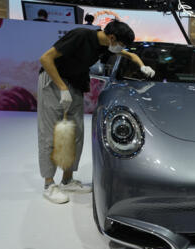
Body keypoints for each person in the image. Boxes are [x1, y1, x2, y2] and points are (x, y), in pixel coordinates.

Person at [38, 20, 155, 204]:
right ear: (112, 37)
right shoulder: (81, 35)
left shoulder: (106, 46)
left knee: (75, 133)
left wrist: (142, 66)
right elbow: (45, 58)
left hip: (75, 84)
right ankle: (48, 184)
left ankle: (67, 180)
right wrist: (62, 88)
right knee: (51, 133)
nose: (120, 48)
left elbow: (129, 56)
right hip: (54, 81)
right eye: (121, 44)